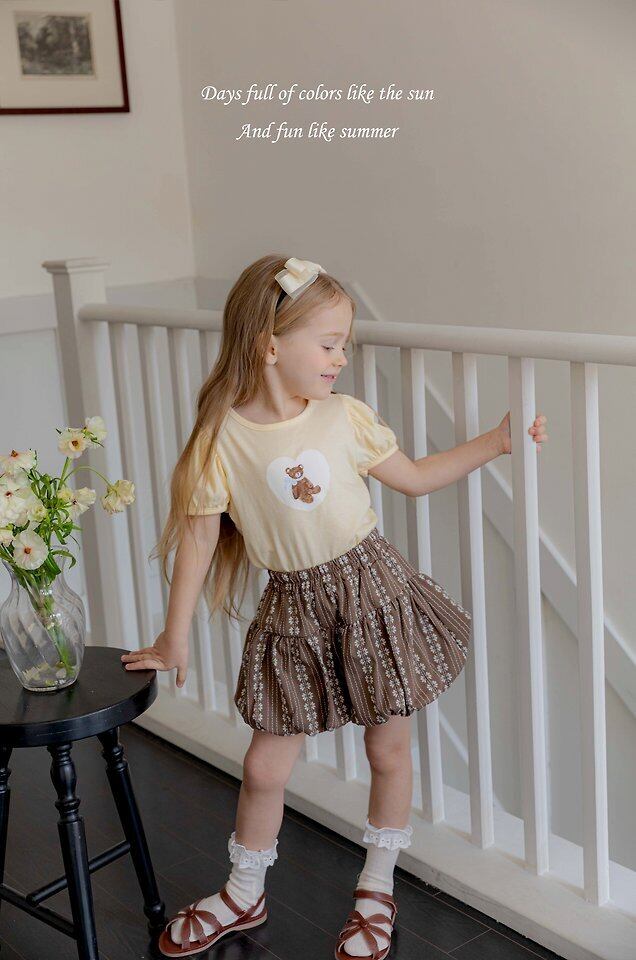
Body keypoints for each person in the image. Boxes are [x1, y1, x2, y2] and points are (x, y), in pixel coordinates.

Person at [121, 255, 548, 959]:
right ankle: (244, 891)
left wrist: (498, 442)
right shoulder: (219, 439)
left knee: (387, 748)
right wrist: (175, 637)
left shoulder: (344, 417)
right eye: (328, 344)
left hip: (373, 594)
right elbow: (198, 539)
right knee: (265, 766)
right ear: (270, 346)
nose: (341, 359)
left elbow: (415, 478)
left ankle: (376, 888)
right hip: (292, 610)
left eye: (343, 345)